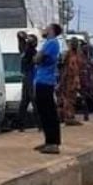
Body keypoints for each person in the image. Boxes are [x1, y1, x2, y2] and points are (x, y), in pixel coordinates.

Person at [33, 23, 63, 154]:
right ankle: (48, 141)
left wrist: (38, 55)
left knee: (48, 113)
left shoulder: (52, 43)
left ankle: (53, 143)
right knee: (44, 113)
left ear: (52, 30)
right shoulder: (48, 43)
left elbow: (37, 59)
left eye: (47, 28)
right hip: (41, 81)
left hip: (45, 82)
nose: (44, 29)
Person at [16, 32, 40, 131]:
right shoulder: (26, 50)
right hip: (28, 77)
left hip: (30, 77)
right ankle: (23, 125)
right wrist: (26, 38)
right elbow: (19, 35)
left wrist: (26, 38)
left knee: (29, 102)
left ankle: (39, 125)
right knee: (28, 102)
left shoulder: (31, 51)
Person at [57, 38, 82, 126]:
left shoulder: (78, 54)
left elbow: (79, 68)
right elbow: (64, 68)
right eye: (73, 43)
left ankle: (70, 116)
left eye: (76, 43)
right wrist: (61, 81)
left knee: (72, 99)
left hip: (74, 80)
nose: (75, 45)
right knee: (67, 99)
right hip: (67, 79)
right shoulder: (68, 54)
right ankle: (68, 117)